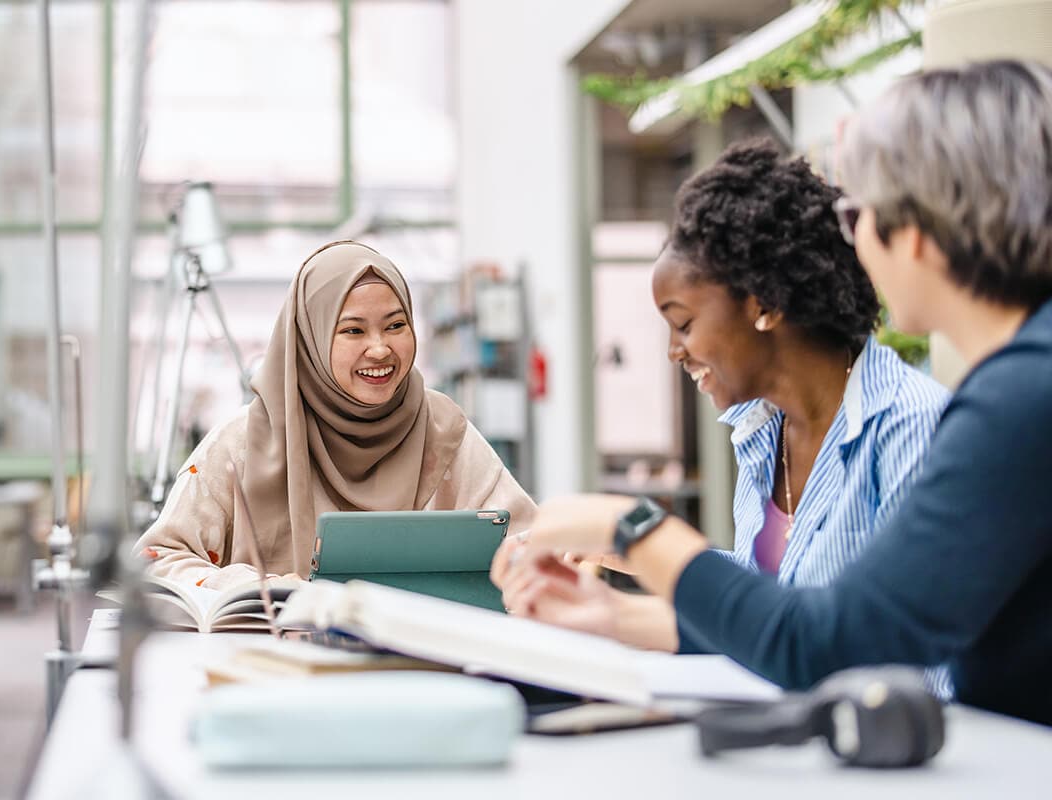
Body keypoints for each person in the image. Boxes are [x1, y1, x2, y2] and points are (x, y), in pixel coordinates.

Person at [492, 59, 1052, 726]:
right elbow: (800, 615)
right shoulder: (1021, 383)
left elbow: (834, 641)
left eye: (860, 214)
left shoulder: (1017, 399)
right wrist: (622, 612)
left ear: (922, 222)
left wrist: (635, 527)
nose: (856, 243)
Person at [496, 140, 950, 663]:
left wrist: (636, 531)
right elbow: (769, 597)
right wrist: (633, 569)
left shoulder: (910, 426)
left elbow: (909, 653)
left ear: (766, 304)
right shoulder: (762, 432)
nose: (674, 353)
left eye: (683, 324)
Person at [138, 240, 536, 589]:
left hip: (415, 663)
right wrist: (260, 588)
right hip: (274, 665)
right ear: (309, 338)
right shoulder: (244, 442)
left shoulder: (442, 430)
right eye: (353, 331)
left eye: (396, 325)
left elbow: (528, 542)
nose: (380, 349)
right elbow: (157, 561)